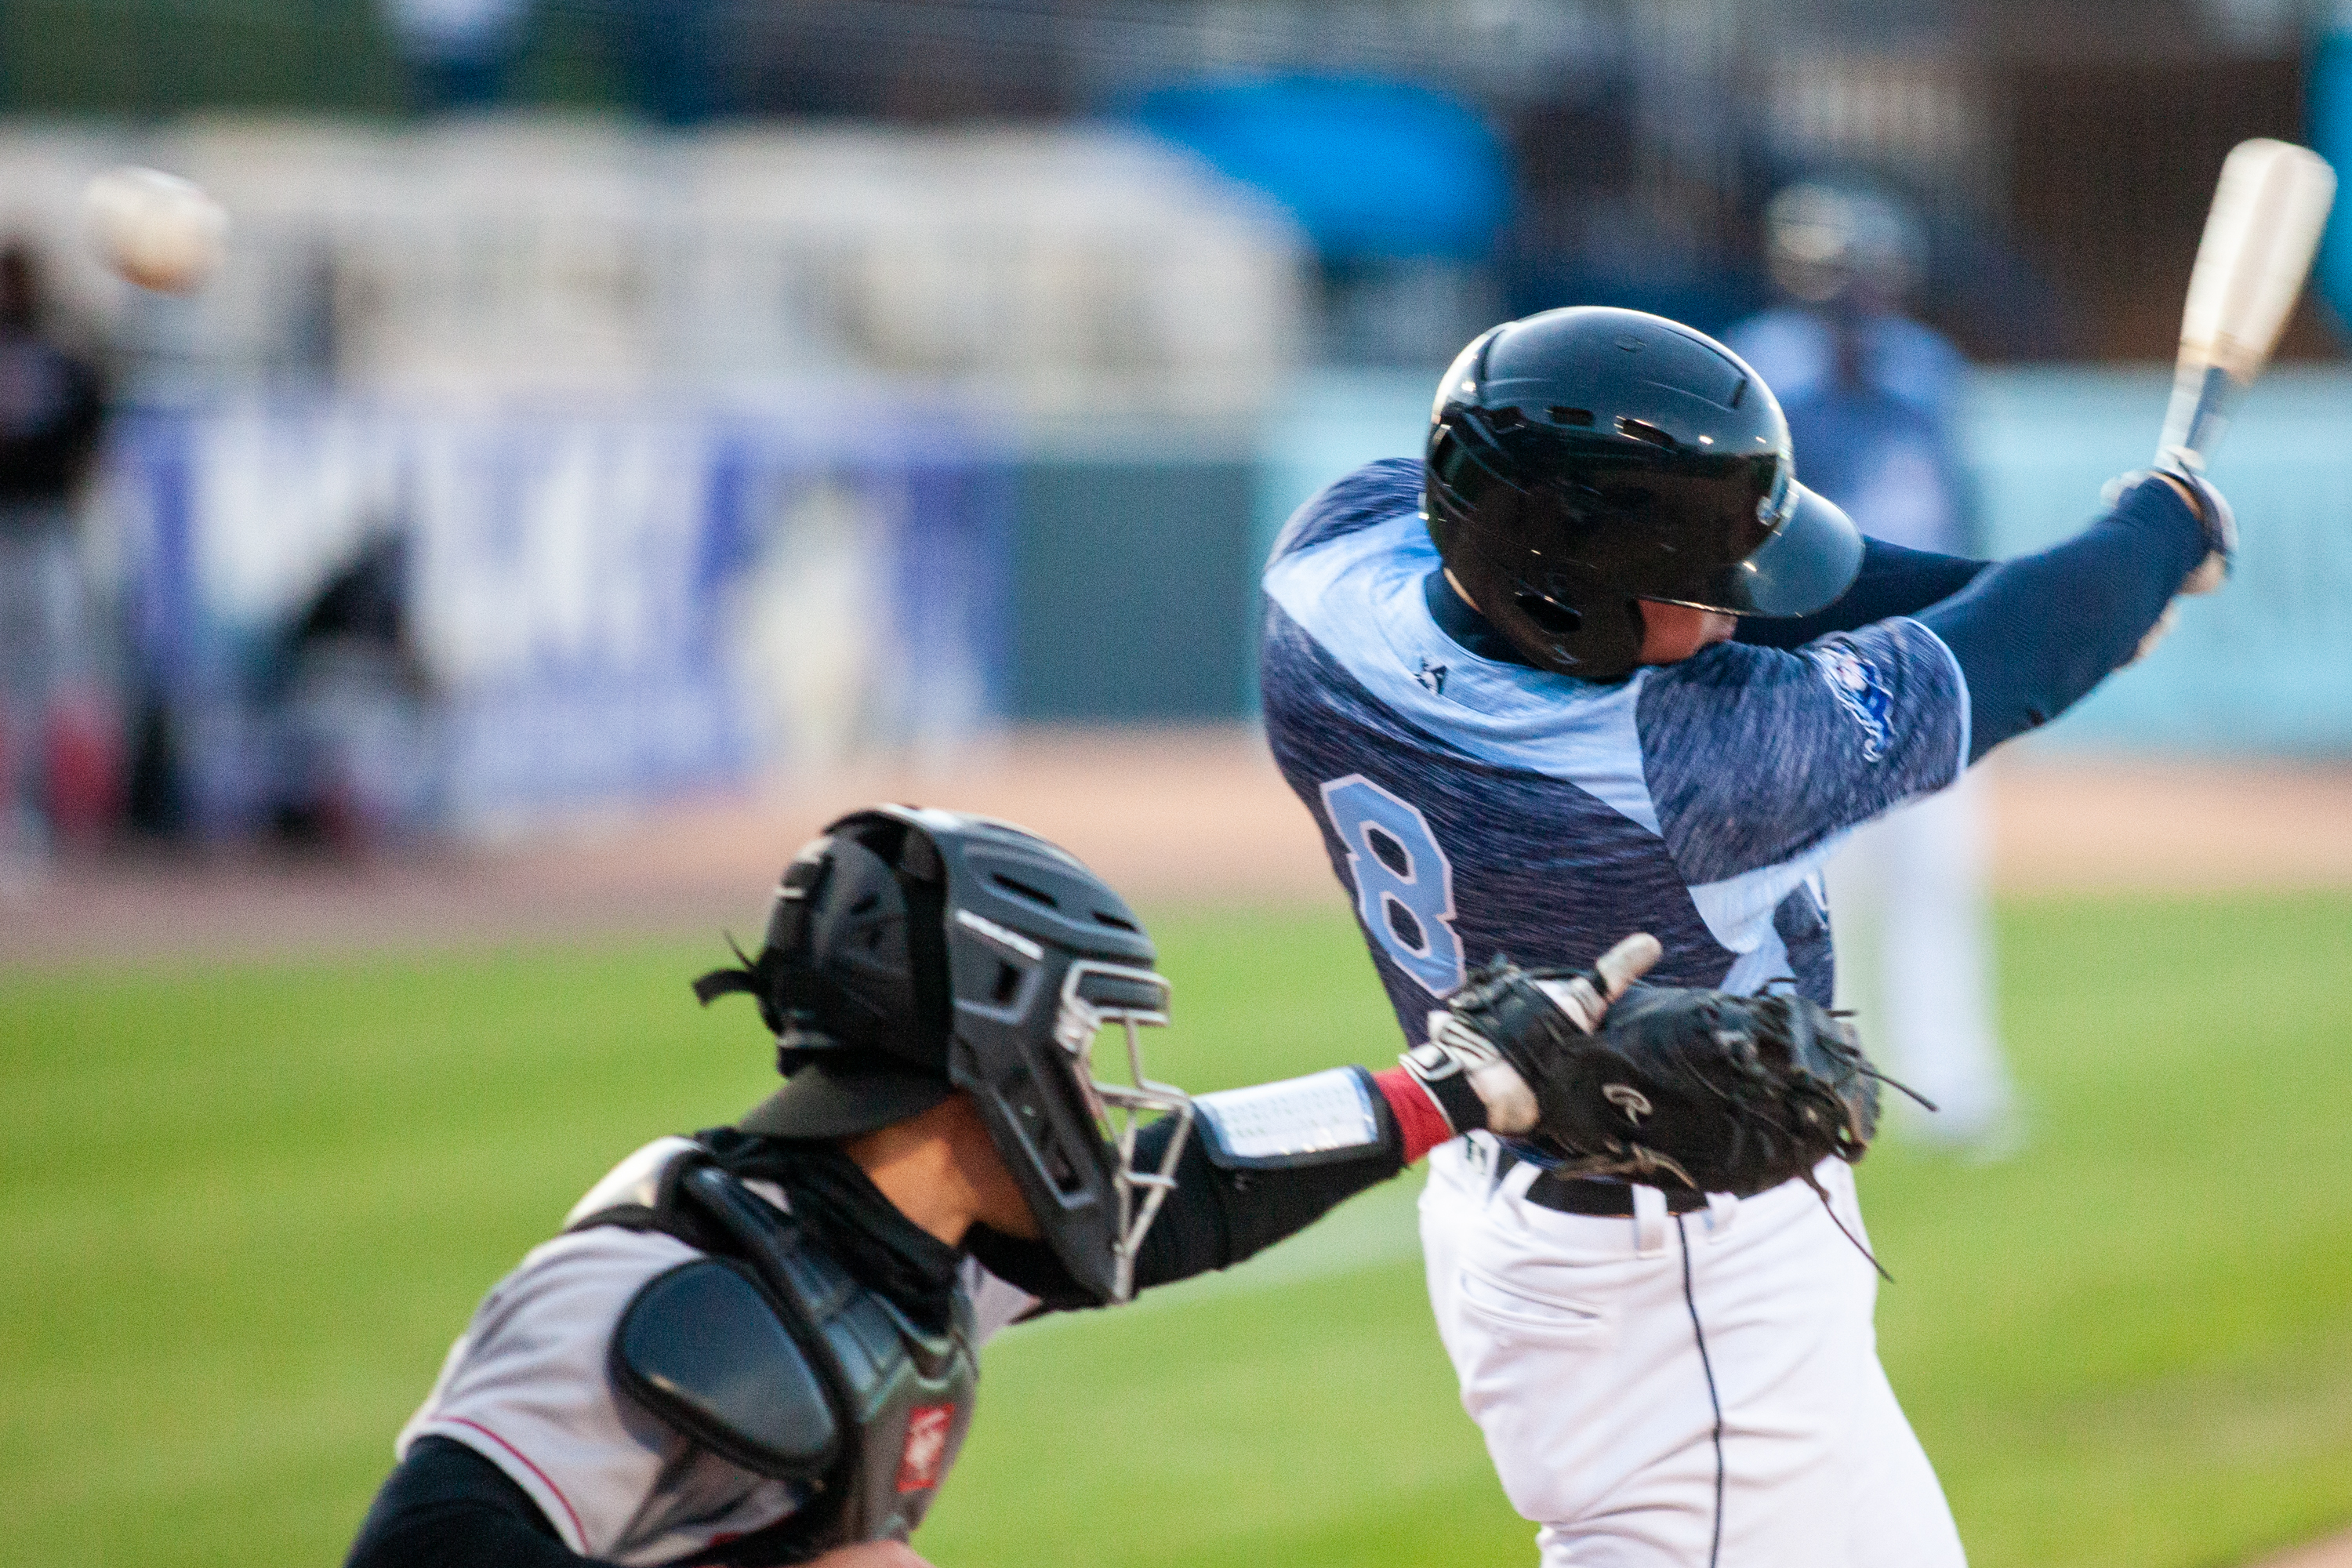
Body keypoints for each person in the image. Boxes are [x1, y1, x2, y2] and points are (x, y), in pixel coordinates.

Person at [1256, 303, 2230, 1564]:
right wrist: (2157, 536)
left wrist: (2068, 587)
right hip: (1682, 1293)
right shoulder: (1697, 767)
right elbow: (2011, 658)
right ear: (1567, 601)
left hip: (1535, 1215)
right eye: (1700, 588)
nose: (1733, 611)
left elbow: (1942, 616)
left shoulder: (1325, 576)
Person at [343, 804, 1666, 1567]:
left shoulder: (912, 1236)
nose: (1105, 1103)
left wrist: (1455, 1090)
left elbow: (1191, 1187)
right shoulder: (643, 1288)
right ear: (994, 1054)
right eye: (1090, 1053)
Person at [1726, 182, 2020, 1152]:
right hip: (1812, 674)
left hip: (1926, 661)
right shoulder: (1760, 374)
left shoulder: (1925, 368)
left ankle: (1953, 1084)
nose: (1867, 294)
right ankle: (1819, 1078)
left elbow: (1955, 506)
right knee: (1816, 893)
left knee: (1937, 878)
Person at [0, 240, 109, 875]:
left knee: (48, 679)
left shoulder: (59, 349)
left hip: (47, 525)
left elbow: (93, 419)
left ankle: (37, 815)